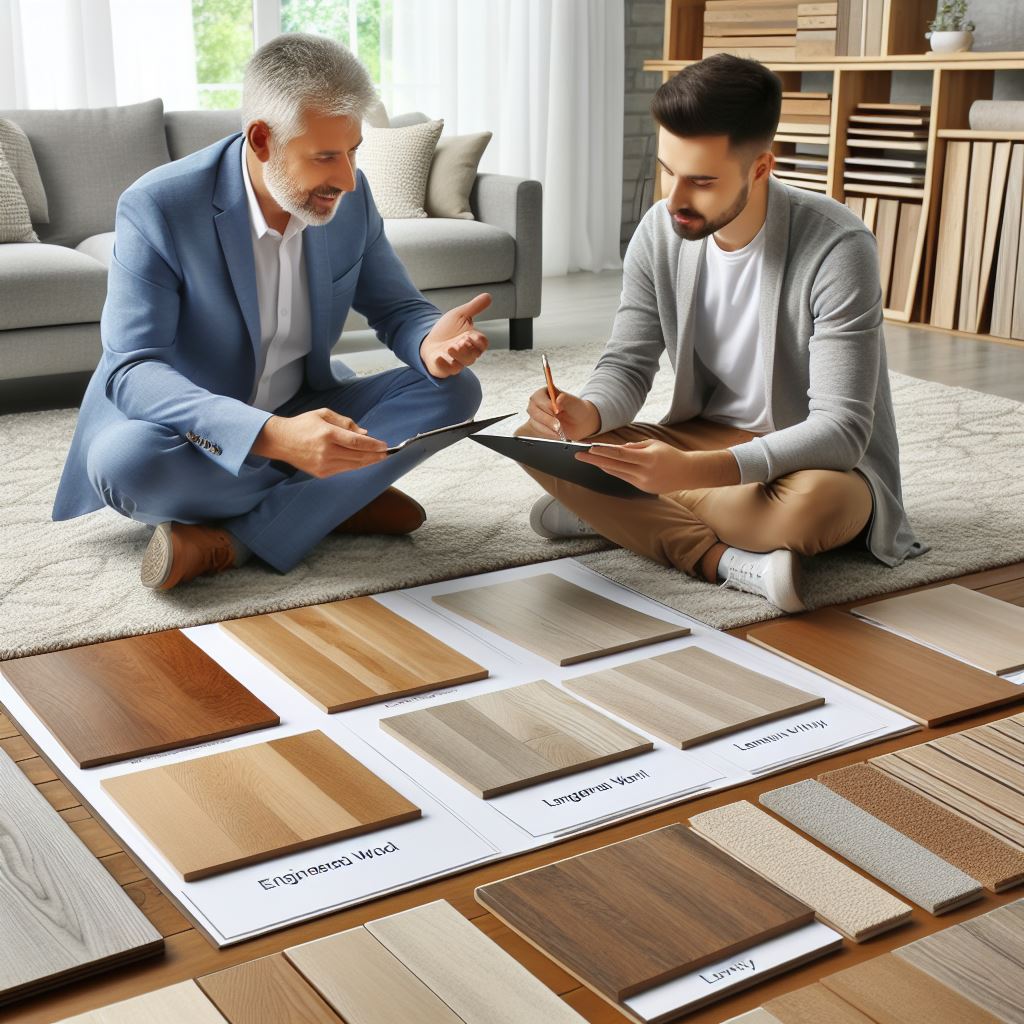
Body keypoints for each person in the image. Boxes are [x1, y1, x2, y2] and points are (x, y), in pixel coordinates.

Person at [52, 34, 488, 590]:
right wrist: (274, 437)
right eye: (326, 155)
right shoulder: (158, 205)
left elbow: (397, 307)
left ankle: (238, 538)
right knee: (126, 464)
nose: (348, 178)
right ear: (262, 140)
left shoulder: (350, 196)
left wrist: (430, 342)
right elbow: (131, 369)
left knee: (454, 392)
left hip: (305, 402)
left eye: (353, 151)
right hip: (191, 430)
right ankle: (335, 502)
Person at [519, 54, 925, 613]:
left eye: (702, 180)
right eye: (669, 171)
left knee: (812, 511)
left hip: (808, 462)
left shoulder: (838, 245)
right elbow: (628, 363)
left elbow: (841, 428)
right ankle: (721, 560)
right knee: (537, 439)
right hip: (703, 438)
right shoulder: (660, 231)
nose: (677, 199)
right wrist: (586, 413)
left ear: (760, 167)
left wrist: (689, 473)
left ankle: (612, 509)